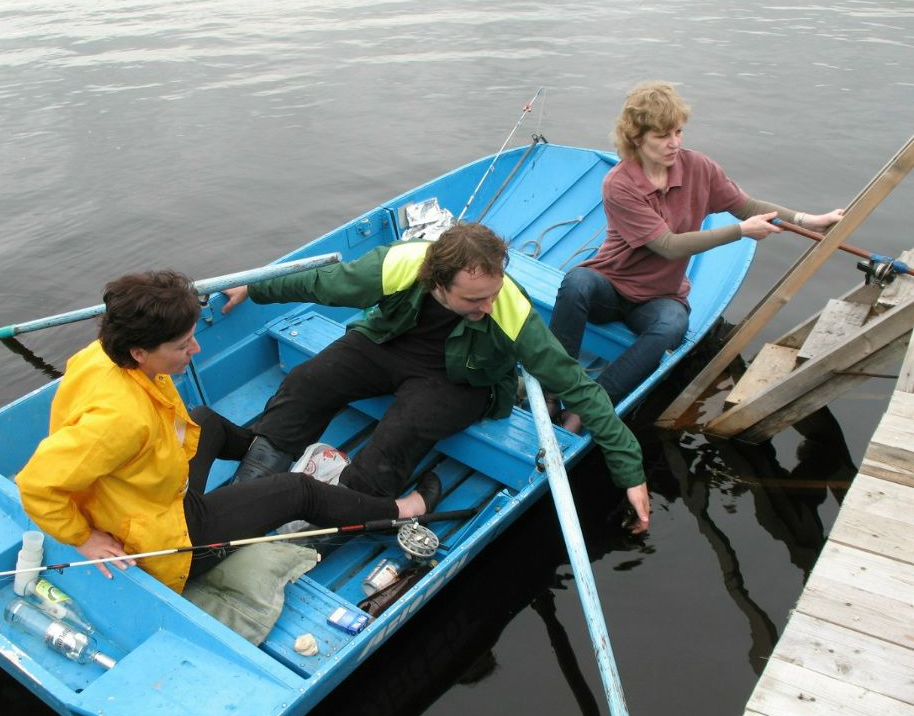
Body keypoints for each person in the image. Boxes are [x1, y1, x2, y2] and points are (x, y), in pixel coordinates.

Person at [14, 270, 440, 594]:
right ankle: (398, 511)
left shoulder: (101, 355)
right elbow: (36, 485)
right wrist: (85, 538)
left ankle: (262, 475)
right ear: (139, 351)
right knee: (298, 491)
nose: (194, 350)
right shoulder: (118, 420)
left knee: (204, 419)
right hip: (169, 538)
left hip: (152, 492)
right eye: (182, 347)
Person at [221, 222, 653, 533]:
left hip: (463, 381)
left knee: (401, 432)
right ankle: (247, 492)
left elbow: (578, 385)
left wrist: (630, 470)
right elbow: (323, 283)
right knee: (308, 382)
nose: (488, 306)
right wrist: (256, 288)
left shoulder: (508, 308)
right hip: (390, 344)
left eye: (493, 293)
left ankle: (329, 521)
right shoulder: (400, 265)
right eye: (474, 299)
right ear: (437, 284)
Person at [548, 80, 844, 430]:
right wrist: (740, 232)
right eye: (662, 135)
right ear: (637, 138)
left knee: (672, 325)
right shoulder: (619, 184)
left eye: (678, 131)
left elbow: (746, 206)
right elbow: (667, 245)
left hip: (659, 296)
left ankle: (587, 409)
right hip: (610, 288)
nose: (674, 143)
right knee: (577, 282)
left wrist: (808, 220)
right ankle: (554, 390)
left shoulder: (698, 168)